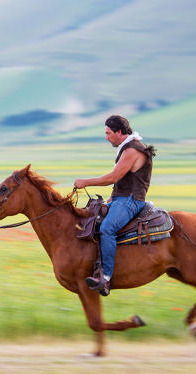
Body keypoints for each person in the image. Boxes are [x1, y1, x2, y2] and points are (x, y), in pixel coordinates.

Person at [74, 115, 155, 296]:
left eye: (108, 133)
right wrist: (110, 199)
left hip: (131, 201)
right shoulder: (127, 148)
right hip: (120, 199)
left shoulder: (132, 150)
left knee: (108, 228)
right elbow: (122, 182)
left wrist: (85, 182)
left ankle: (106, 277)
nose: (106, 137)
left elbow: (113, 177)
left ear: (119, 132)